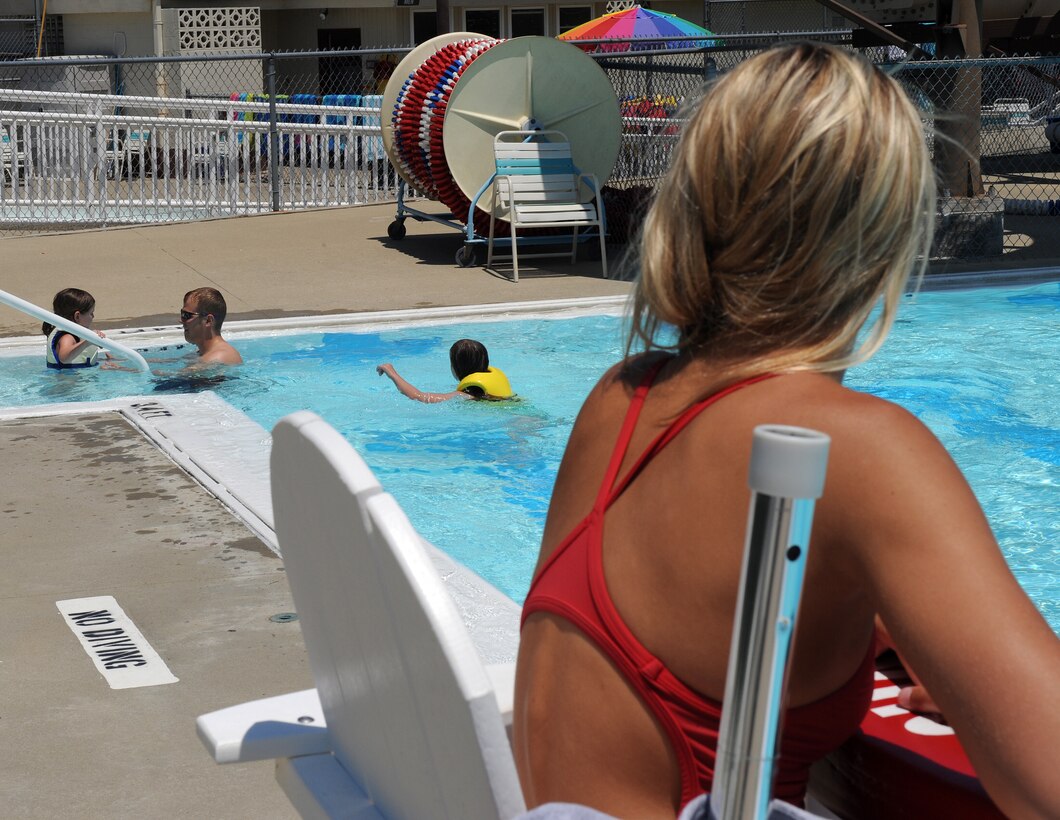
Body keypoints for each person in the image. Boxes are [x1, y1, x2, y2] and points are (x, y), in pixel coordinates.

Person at [513, 43, 1059, 819]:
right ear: (883, 240)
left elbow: (695, 601)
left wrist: (944, 645)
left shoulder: (621, 397)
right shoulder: (861, 450)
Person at [376, 338, 513, 403]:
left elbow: (418, 396)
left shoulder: (464, 396)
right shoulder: (497, 387)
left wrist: (391, 373)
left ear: (456, 368)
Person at [43, 287, 106, 369]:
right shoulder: (67, 337)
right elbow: (64, 358)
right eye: (91, 313)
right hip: (67, 377)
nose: (93, 316)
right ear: (77, 316)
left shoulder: (72, 334)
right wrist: (88, 341)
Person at [179, 287, 242, 366]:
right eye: (182, 313)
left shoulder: (218, 357)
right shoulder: (202, 354)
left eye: (186, 315)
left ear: (208, 320)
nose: (181, 320)